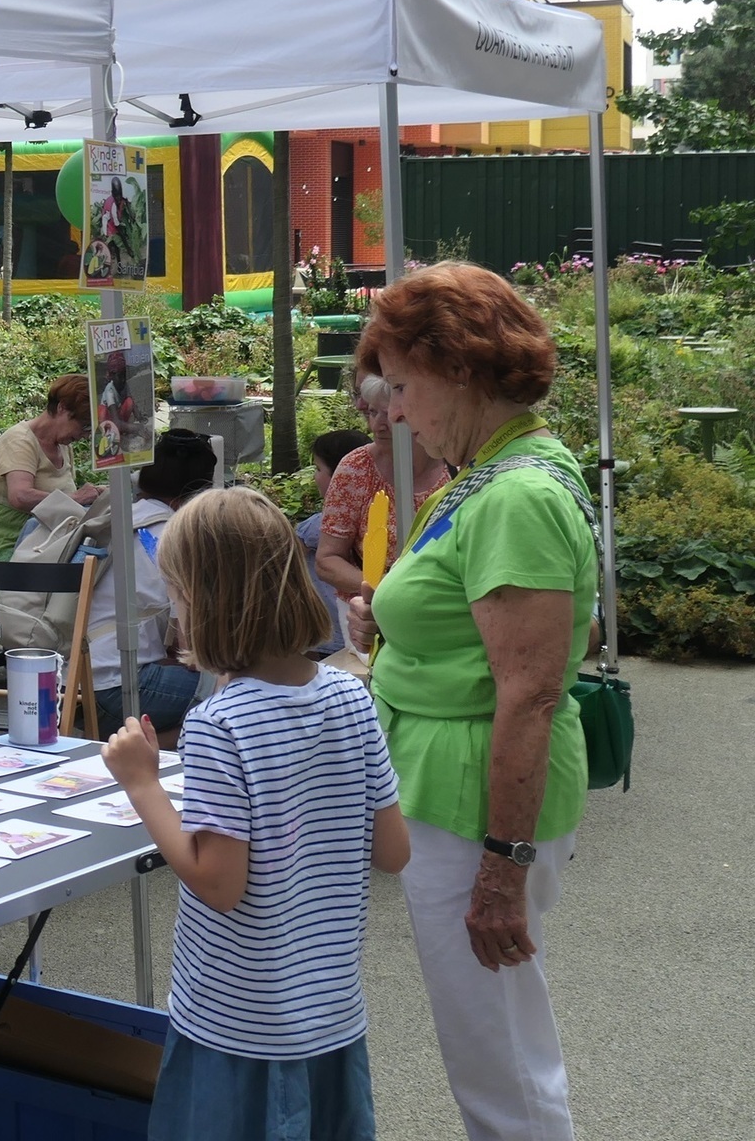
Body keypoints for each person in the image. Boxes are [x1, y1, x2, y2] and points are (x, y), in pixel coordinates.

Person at [344, 264, 598, 1141]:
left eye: (401, 386)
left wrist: (502, 867)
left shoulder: (514, 493)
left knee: (497, 1053)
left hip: (471, 801)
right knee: (496, 1038)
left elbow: (532, 691)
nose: (395, 412)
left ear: (456, 367)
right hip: (454, 788)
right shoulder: (495, 471)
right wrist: (388, 619)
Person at [106, 485, 409, 1141]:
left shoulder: (219, 725)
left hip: (236, 1022)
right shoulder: (351, 696)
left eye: (177, 595)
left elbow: (219, 884)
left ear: (204, 601)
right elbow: (393, 851)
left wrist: (142, 784)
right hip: (330, 1012)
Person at [85, 429, 216, 741]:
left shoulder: (117, 519)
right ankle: (149, 744)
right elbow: (190, 649)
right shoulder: (176, 538)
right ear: (197, 494)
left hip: (73, 682)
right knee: (238, 687)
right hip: (120, 688)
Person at [0, 375, 103, 614]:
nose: (85, 435)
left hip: (44, 544)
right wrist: (76, 499)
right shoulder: (19, 441)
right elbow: (20, 496)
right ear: (62, 408)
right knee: (10, 611)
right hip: (3, 541)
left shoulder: (63, 446)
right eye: (84, 426)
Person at [317, 372, 450, 606]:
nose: (377, 425)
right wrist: (384, 588)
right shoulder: (356, 468)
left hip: (442, 605)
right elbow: (327, 560)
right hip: (367, 609)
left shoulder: (455, 464)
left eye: (387, 413)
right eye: (372, 412)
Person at [301, 429, 371, 656]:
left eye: (318, 469)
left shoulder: (318, 525)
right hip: (356, 635)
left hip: (330, 639)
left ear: (342, 476)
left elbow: (279, 558)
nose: (315, 477)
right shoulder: (376, 517)